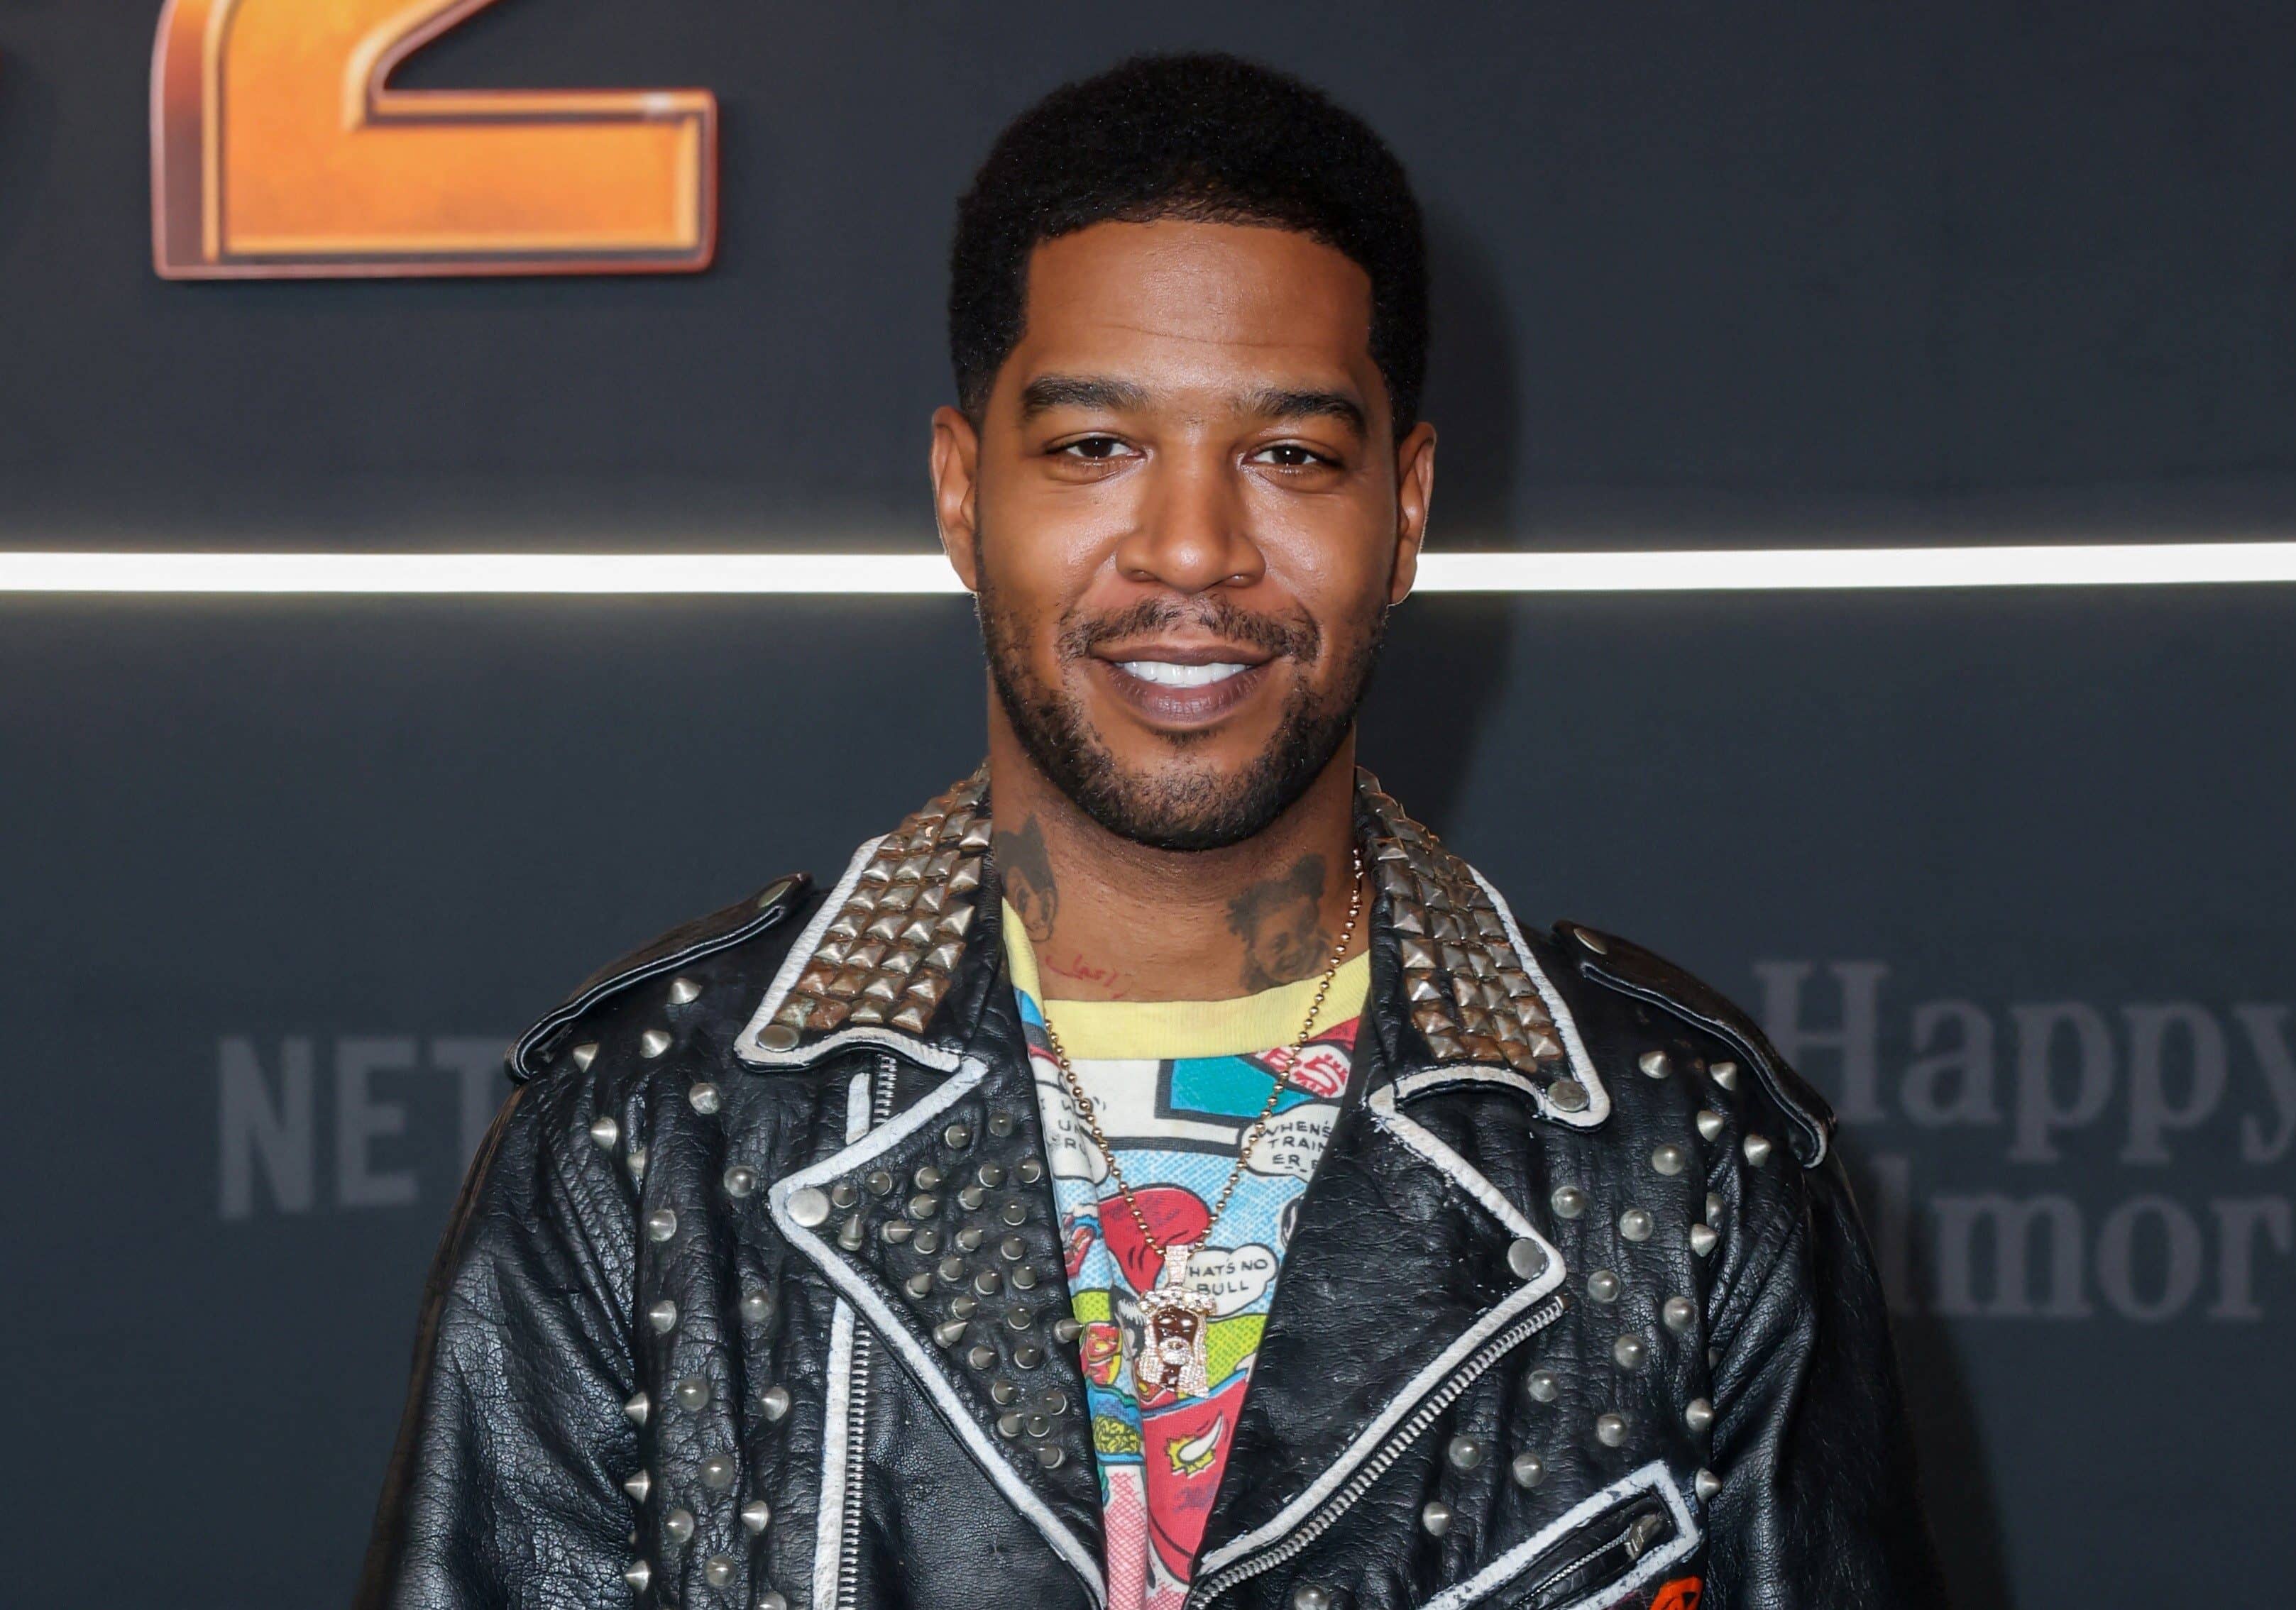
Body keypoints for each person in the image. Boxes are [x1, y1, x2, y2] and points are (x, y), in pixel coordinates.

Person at [356, 51, 1947, 1610]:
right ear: (961, 493)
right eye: (1095, 448)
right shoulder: (650, 1129)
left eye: (1289, 456)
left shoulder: (1683, 1155)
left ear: (1403, 512)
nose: (1192, 548)